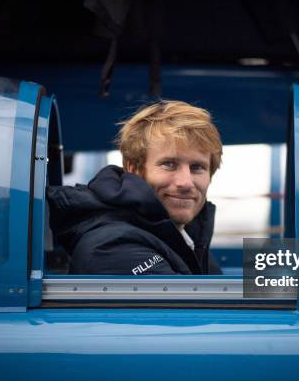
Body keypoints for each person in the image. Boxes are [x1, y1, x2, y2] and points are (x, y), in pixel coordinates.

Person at [47, 100, 223, 275]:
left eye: (197, 167)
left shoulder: (185, 236)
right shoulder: (111, 247)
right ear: (134, 169)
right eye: (169, 164)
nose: (185, 182)